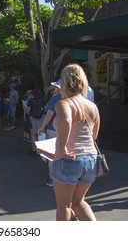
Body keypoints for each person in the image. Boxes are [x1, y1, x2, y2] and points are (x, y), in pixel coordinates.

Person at [52, 63, 100, 221]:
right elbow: (93, 136)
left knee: (64, 206)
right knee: (78, 202)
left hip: (69, 159)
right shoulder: (92, 106)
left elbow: (66, 122)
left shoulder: (63, 104)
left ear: (64, 82)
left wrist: (63, 148)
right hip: (91, 159)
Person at [38, 81, 62, 187]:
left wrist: (42, 127)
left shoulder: (55, 98)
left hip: (54, 128)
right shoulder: (73, 97)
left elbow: (49, 113)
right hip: (69, 129)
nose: (54, 88)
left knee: (52, 154)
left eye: (56, 86)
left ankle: (52, 178)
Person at [26, 89, 46, 154]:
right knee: (41, 134)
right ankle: (41, 150)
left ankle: (34, 150)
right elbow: (46, 109)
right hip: (41, 118)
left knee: (33, 135)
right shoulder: (43, 100)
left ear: (32, 94)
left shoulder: (30, 101)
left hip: (33, 118)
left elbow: (28, 110)